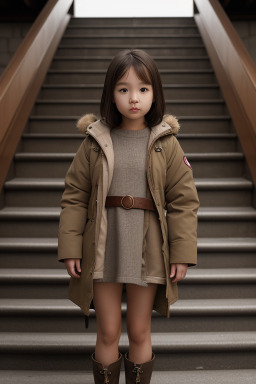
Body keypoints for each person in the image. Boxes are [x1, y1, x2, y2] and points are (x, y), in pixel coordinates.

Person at [58, 48, 199, 384]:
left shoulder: (166, 142)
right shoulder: (94, 141)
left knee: (138, 330)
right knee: (107, 331)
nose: (133, 98)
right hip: (104, 245)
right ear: (111, 93)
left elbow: (183, 201)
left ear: (155, 93)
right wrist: (71, 247)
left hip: (147, 247)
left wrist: (181, 253)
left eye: (143, 89)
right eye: (124, 89)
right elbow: (75, 196)